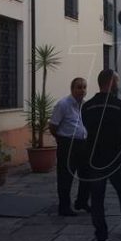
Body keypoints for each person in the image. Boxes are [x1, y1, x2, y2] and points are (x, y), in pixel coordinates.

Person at [82, 69, 121, 241]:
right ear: (112, 83)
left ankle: (101, 234)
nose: (118, 85)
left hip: (95, 158)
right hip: (116, 158)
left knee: (97, 197)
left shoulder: (87, 106)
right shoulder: (120, 106)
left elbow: (86, 125)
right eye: (117, 81)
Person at [49, 77, 91, 216]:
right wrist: (62, 140)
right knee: (65, 177)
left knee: (86, 175)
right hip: (68, 144)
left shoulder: (85, 105)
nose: (82, 90)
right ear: (72, 89)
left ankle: (81, 202)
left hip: (83, 144)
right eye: (79, 87)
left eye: (84, 87)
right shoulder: (63, 104)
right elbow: (53, 126)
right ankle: (64, 207)